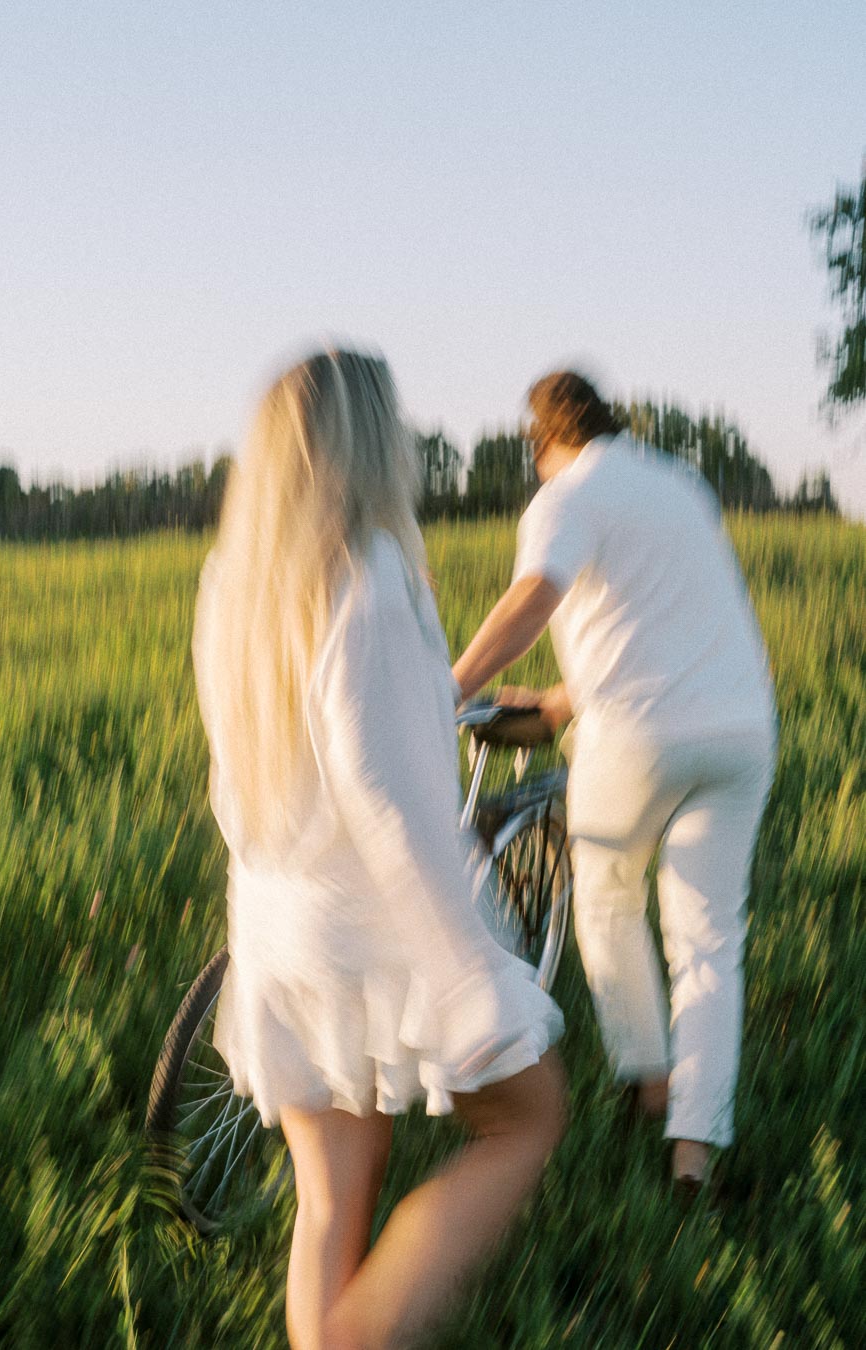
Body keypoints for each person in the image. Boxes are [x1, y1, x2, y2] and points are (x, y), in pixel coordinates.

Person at [192, 349, 566, 1349]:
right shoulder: (369, 578)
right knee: (526, 1120)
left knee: (327, 1207)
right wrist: (466, 977)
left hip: (276, 935)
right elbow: (392, 803)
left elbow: (235, 782)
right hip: (371, 935)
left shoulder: (235, 589)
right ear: (373, 448)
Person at [452, 370, 776, 1194]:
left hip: (636, 740)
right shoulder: (680, 484)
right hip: (740, 730)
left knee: (603, 892)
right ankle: (693, 1153)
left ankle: (649, 1079)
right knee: (709, 942)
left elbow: (536, 595)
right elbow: (660, 621)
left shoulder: (565, 495)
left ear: (543, 444)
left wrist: (447, 687)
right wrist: (561, 702)